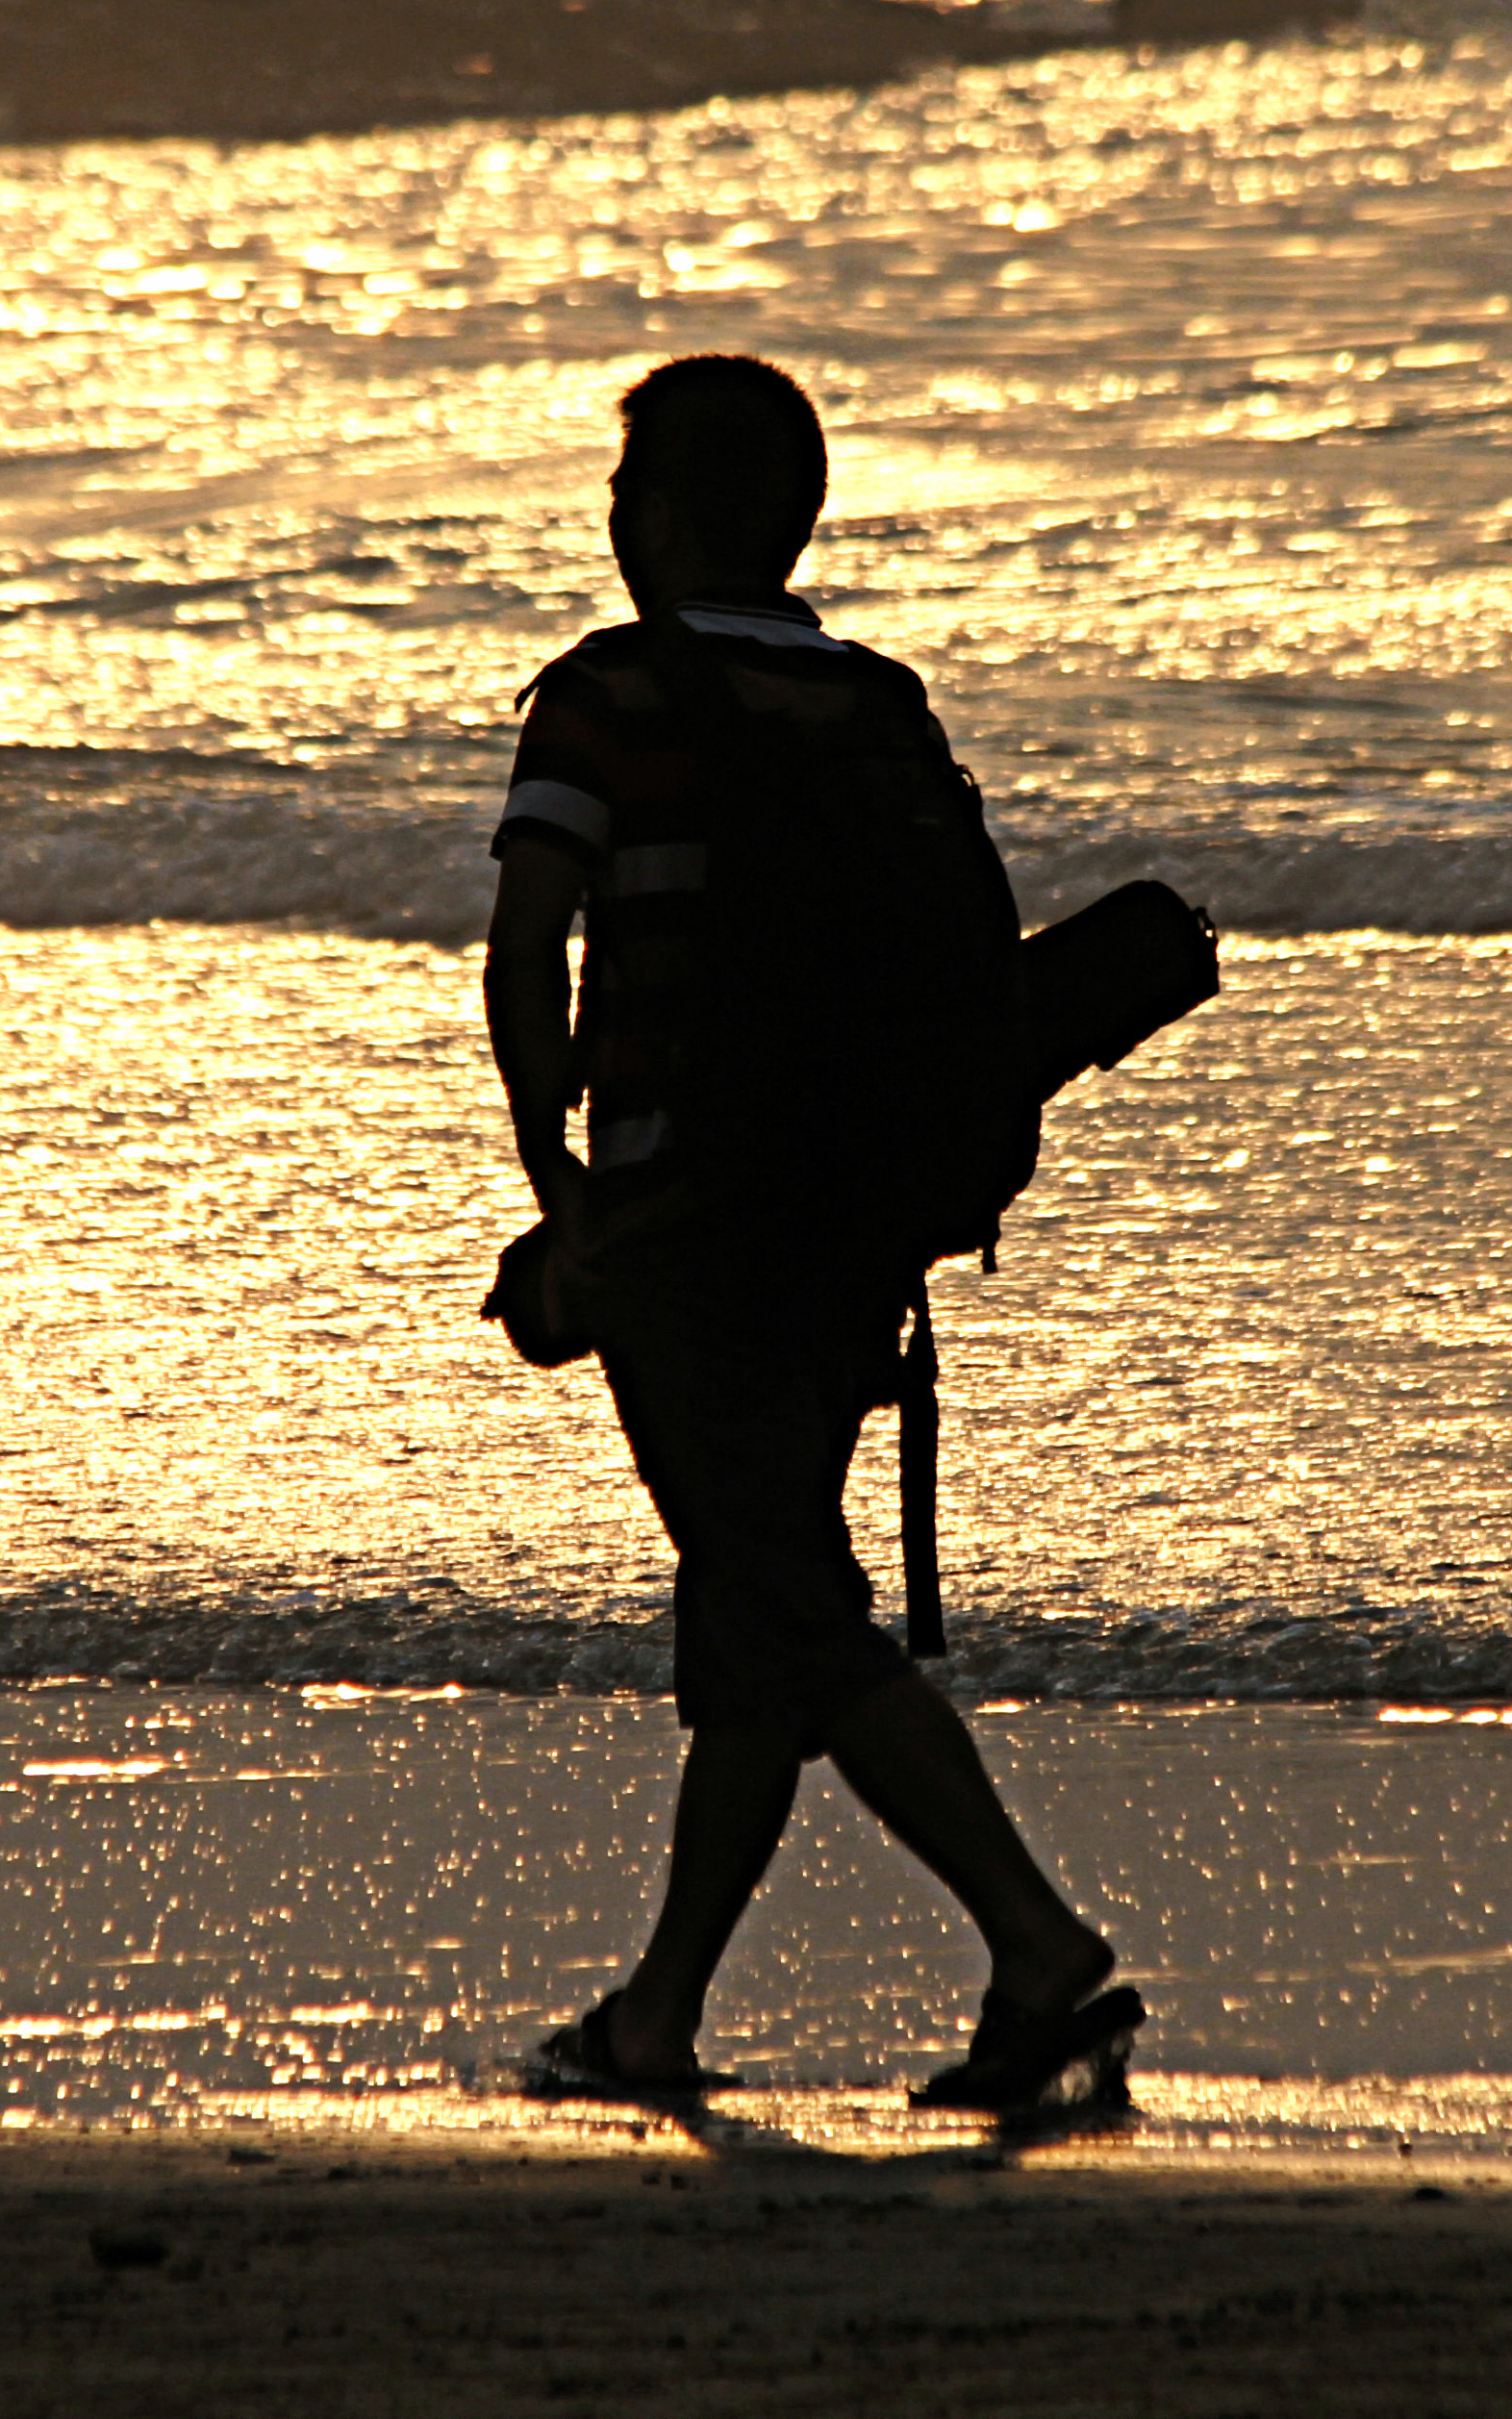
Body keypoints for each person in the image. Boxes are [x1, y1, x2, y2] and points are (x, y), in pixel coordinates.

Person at [483, 353, 1141, 2110]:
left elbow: (525, 950)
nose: (610, 527)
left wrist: (563, 1205)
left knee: (780, 1604)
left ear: (664, 518)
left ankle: (1033, 1941)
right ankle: (655, 2018)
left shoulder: (604, 697)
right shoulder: (876, 705)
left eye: (624, 497)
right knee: (754, 1609)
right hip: (854, 1221)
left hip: (683, 1224)